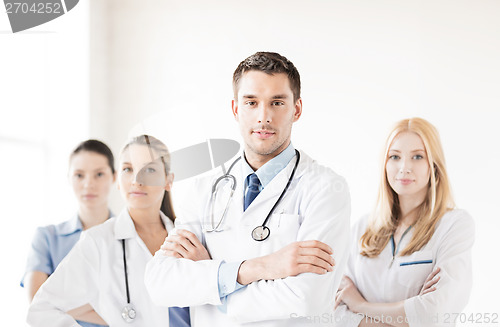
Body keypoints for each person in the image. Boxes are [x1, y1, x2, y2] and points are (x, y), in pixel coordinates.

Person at [145, 52, 351, 326]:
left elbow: (306, 298)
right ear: (235, 109)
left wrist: (214, 287)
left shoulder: (325, 189)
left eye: (277, 102)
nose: (263, 117)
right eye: (251, 102)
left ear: (296, 109)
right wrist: (260, 267)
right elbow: (161, 283)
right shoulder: (204, 188)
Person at [27, 135, 190, 327]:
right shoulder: (97, 241)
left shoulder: (189, 237)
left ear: (169, 180)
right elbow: (41, 308)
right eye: (128, 169)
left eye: (150, 169)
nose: (137, 180)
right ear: (118, 180)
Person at [334, 118, 474, 327]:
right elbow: (334, 312)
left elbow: (435, 313)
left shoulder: (454, 226)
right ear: (385, 164)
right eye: (395, 157)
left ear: (434, 165)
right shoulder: (362, 229)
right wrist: (410, 315)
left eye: (417, 156)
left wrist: (361, 305)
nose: (404, 167)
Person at [22, 139, 115, 327]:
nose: (89, 184)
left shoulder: (131, 236)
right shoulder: (47, 238)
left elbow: (143, 309)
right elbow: (37, 302)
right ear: (69, 178)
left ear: (114, 177)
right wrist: (116, 313)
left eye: (99, 174)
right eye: (79, 175)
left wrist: (60, 305)